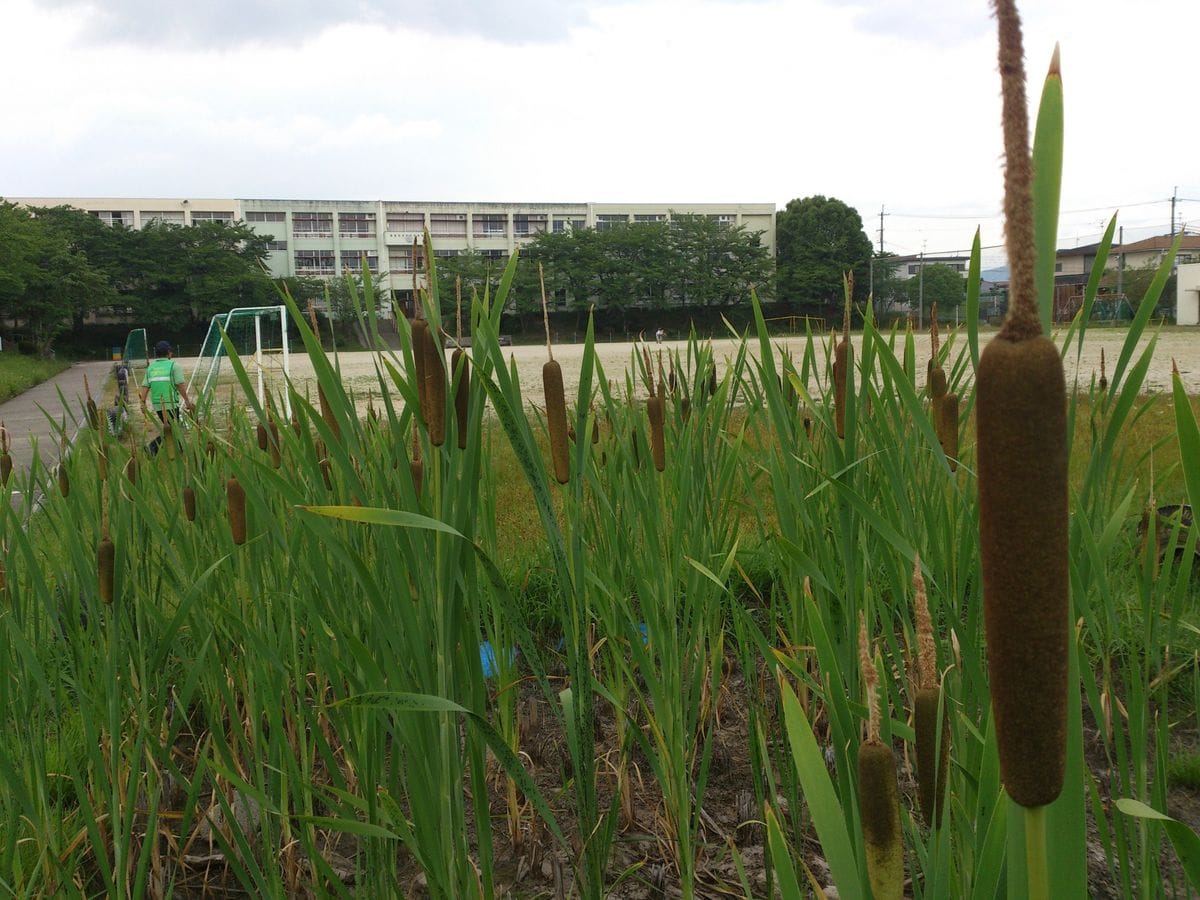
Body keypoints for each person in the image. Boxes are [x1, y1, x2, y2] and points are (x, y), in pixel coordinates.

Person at [140, 340, 193, 456]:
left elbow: (145, 386)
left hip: (157, 404)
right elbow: (180, 385)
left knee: (173, 428)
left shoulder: (151, 368)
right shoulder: (174, 366)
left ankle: (179, 451)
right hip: (170, 403)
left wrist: (142, 402)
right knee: (173, 430)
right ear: (169, 353)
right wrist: (187, 401)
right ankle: (152, 448)